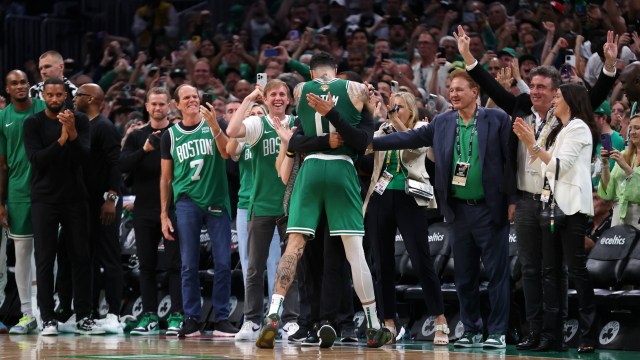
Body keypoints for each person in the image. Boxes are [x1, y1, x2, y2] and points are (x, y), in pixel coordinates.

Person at [457, 25, 618, 350]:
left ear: (557, 92)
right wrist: (468, 58)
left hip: (560, 201)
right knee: (530, 269)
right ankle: (534, 332)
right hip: (528, 199)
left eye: (543, 87)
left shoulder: (569, 119)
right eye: (532, 86)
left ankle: (552, 333)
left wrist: (610, 68)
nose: (535, 91)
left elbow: (595, 95)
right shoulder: (519, 108)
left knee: (553, 269)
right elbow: (488, 84)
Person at [256, 51, 390, 349]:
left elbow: (296, 138)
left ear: (312, 73)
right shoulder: (356, 90)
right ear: (338, 70)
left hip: (311, 168)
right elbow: (362, 141)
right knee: (355, 252)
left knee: (294, 246)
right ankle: (373, 324)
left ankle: (273, 315)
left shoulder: (301, 90)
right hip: (342, 168)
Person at [373, 69, 514, 349]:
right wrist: (368, 142)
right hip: (458, 210)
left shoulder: (496, 119)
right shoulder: (443, 122)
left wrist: (512, 200)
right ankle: (472, 329)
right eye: (451, 89)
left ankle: (497, 332)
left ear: (476, 93)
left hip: (489, 208)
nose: (454, 94)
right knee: (464, 275)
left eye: (460, 89)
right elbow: (407, 139)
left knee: (497, 274)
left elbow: (510, 162)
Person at [514, 83, 599, 353]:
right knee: (549, 272)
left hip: (572, 208)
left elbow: (559, 167)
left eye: (558, 97)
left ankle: (588, 334)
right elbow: (541, 166)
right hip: (550, 206)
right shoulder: (562, 130)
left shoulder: (578, 128)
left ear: (571, 101)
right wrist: (534, 146)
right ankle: (552, 336)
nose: (553, 101)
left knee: (576, 270)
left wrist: (532, 144)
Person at [363, 91, 448, 345]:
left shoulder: (422, 127)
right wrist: (372, 117)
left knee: (421, 260)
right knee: (381, 264)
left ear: (411, 110)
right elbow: (366, 148)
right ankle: (388, 323)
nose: (393, 112)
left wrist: (395, 123)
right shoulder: (382, 130)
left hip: (410, 198)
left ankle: (440, 320)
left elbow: (413, 149)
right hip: (380, 197)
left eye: (398, 108)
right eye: (391, 108)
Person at [23, 78, 102, 336]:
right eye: (50, 95)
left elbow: (83, 158)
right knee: (45, 259)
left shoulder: (78, 120)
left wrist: (73, 135)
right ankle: (47, 318)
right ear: (43, 96)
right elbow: (37, 160)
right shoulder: (32, 123)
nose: (55, 99)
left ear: (66, 96)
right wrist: (61, 140)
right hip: (44, 198)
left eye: (59, 95)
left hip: (75, 198)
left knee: (81, 257)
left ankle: (83, 316)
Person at [160, 84, 237, 337]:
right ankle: (191, 317)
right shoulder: (170, 135)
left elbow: (227, 154)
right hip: (186, 202)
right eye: (186, 97)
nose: (192, 100)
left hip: (216, 199)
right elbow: (166, 178)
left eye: (195, 96)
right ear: (177, 104)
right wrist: (163, 214)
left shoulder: (216, 123)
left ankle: (222, 318)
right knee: (188, 263)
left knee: (224, 263)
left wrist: (216, 126)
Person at [226, 81, 300, 342]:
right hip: (261, 205)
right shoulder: (258, 124)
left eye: (282, 94)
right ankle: (251, 321)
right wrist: (249, 98)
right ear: (266, 99)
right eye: (272, 95)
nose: (278, 98)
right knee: (255, 267)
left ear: (289, 99)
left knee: (288, 266)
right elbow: (233, 130)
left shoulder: (297, 123)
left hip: (291, 205)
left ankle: (290, 321)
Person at [120, 87, 183, 335]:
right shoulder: (136, 136)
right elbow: (121, 166)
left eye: (162, 104)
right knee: (146, 265)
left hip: (173, 208)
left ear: (170, 106)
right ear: (147, 106)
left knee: (175, 265)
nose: (157, 108)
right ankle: (149, 316)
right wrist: (144, 150)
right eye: (153, 104)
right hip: (144, 208)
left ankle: (177, 315)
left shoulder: (178, 133)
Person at [72, 83, 123, 327]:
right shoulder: (82, 126)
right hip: (85, 203)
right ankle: (88, 312)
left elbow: (116, 166)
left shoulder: (105, 127)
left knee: (110, 258)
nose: (74, 98)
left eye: (78, 94)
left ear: (90, 98)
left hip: (105, 203)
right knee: (87, 258)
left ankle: (114, 313)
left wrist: (110, 199)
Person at [0, 70, 46, 334]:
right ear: (7, 89)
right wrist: (1, 202)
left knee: (49, 256)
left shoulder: (43, 107)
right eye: (14, 83)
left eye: (23, 82)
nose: (20, 86)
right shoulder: (2, 119)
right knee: (22, 256)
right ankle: (27, 314)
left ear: (30, 85)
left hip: (48, 192)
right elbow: (2, 165)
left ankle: (47, 312)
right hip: (17, 193)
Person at [225, 102, 281, 301]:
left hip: (270, 204)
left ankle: (277, 316)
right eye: (253, 114)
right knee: (248, 262)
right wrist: (243, 117)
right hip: (245, 205)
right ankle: (251, 317)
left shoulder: (276, 135)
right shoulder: (243, 139)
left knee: (275, 261)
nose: (257, 116)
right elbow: (229, 151)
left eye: (260, 113)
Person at [599, 114, 640, 230]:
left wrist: (625, 167)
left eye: (637, 128)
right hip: (618, 220)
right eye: (630, 128)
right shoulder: (623, 155)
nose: (632, 132)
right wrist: (605, 166)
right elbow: (608, 193)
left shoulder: (622, 160)